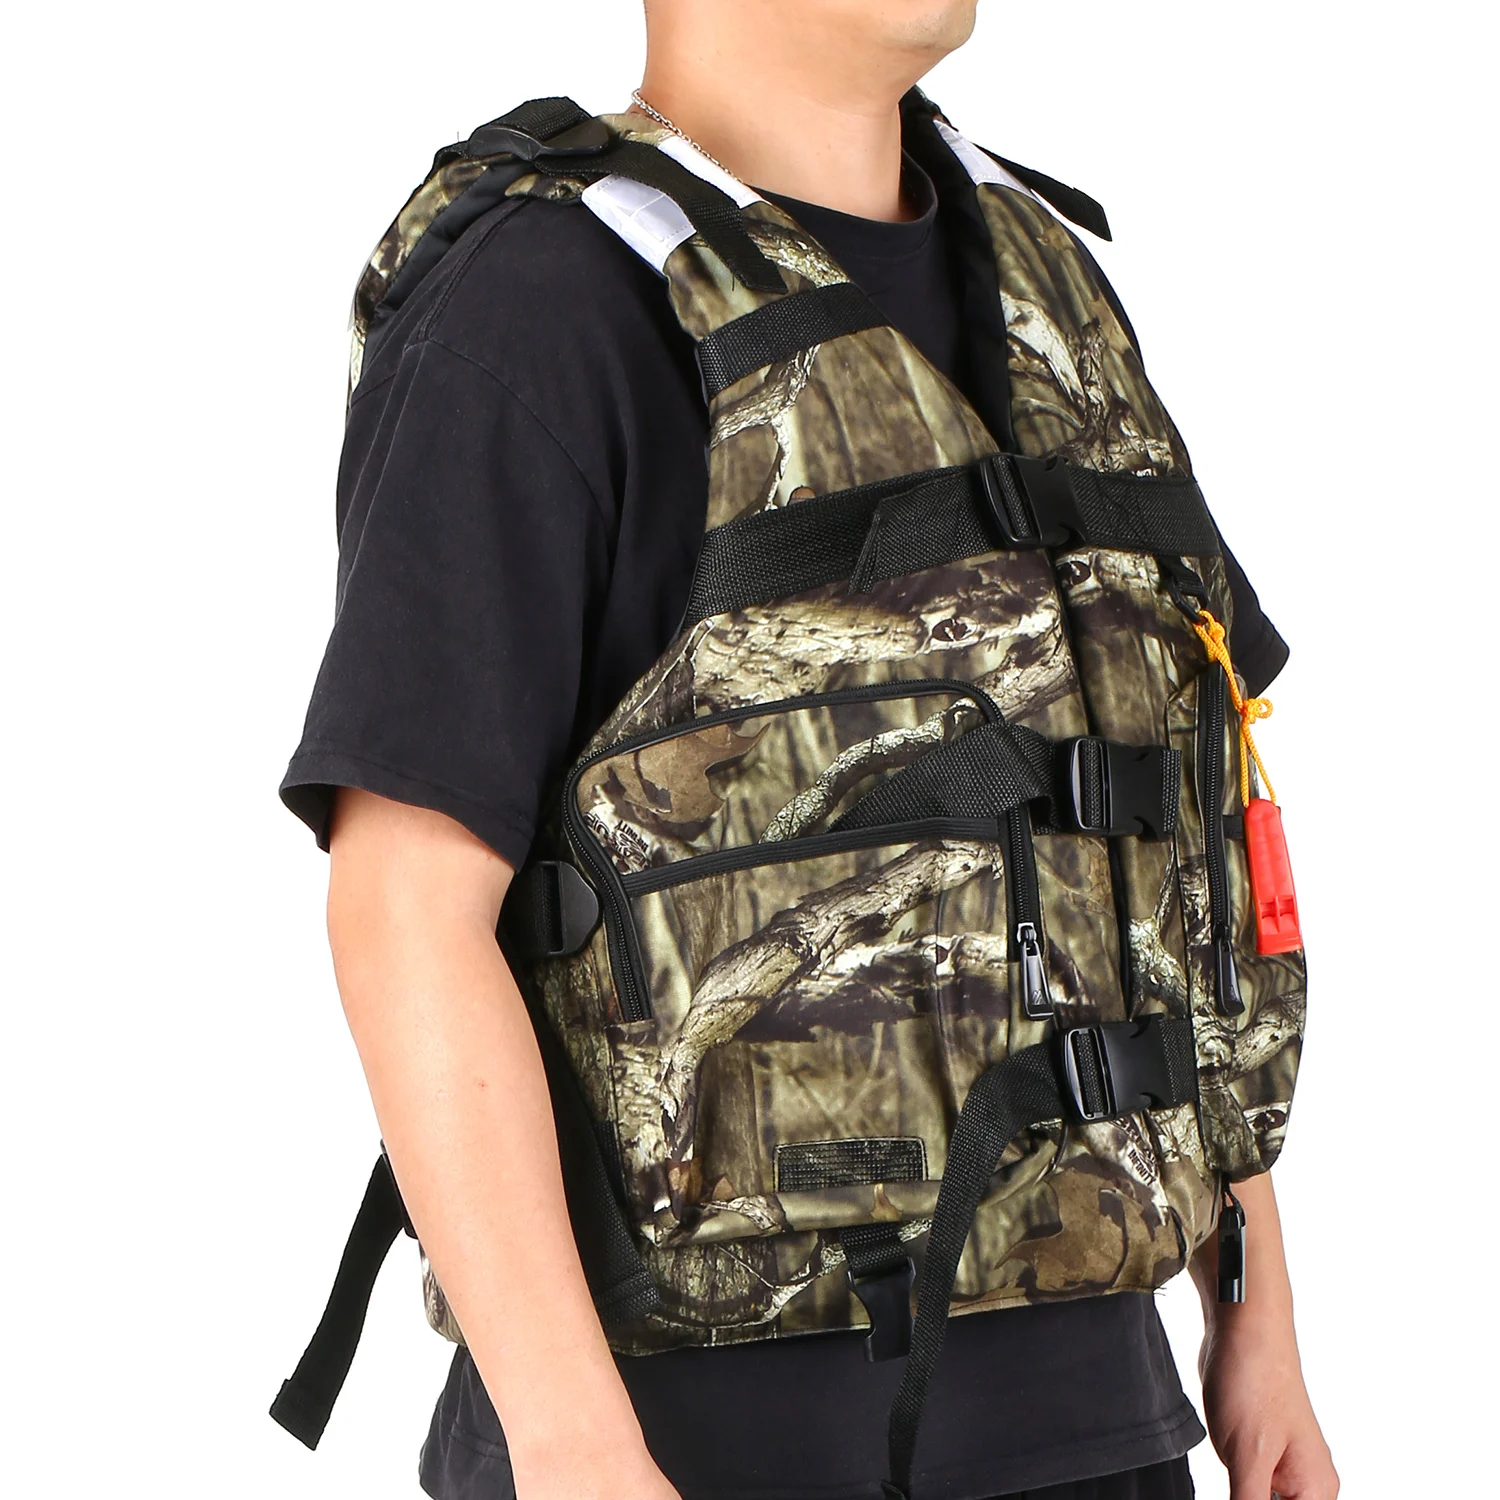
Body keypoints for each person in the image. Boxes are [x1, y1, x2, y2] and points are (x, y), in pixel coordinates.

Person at [280, 3, 1338, 1497]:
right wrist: (571, 1444)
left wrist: (1255, 1310)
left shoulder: (1049, 287)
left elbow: (1161, 849)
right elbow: (405, 911)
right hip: (688, 1447)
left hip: (1106, 1422)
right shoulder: (540, 301)